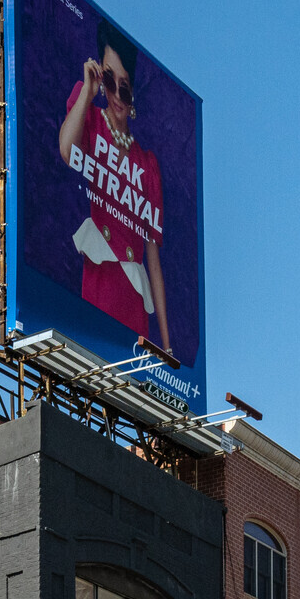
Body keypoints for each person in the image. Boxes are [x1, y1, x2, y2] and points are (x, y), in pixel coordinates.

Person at [55, 18, 171, 355]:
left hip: (136, 300)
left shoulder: (147, 164)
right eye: (109, 79)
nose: (116, 94)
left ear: (133, 93)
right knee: (92, 363)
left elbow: (153, 258)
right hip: (101, 279)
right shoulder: (87, 113)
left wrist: (166, 347)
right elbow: (66, 150)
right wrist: (88, 94)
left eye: (124, 86)